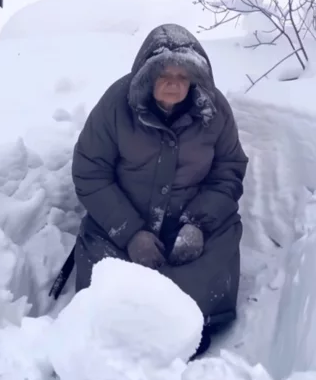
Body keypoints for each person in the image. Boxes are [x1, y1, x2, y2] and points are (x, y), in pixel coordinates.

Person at [71, 24, 249, 357]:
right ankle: (122, 328)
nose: (173, 84)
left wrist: (198, 224)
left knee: (211, 263)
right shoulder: (115, 105)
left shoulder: (214, 110)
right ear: (146, 77)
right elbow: (90, 171)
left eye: (183, 77)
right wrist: (130, 233)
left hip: (191, 220)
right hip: (123, 219)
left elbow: (229, 170)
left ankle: (189, 326)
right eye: (163, 75)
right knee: (109, 286)